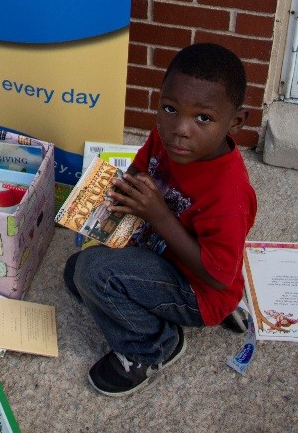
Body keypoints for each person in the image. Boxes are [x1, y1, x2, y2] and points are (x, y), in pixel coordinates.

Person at [64, 43, 257, 397]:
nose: (180, 129)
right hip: (162, 254)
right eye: (170, 109)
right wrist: (117, 199)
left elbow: (218, 275)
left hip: (200, 290)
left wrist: (158, 215)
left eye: (203, 118)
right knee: (77, 272)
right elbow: (140, 167)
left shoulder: (229, 193)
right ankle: (139, 302)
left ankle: (152, 345)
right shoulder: (166, 138)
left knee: (93, 272)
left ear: (236, 122)